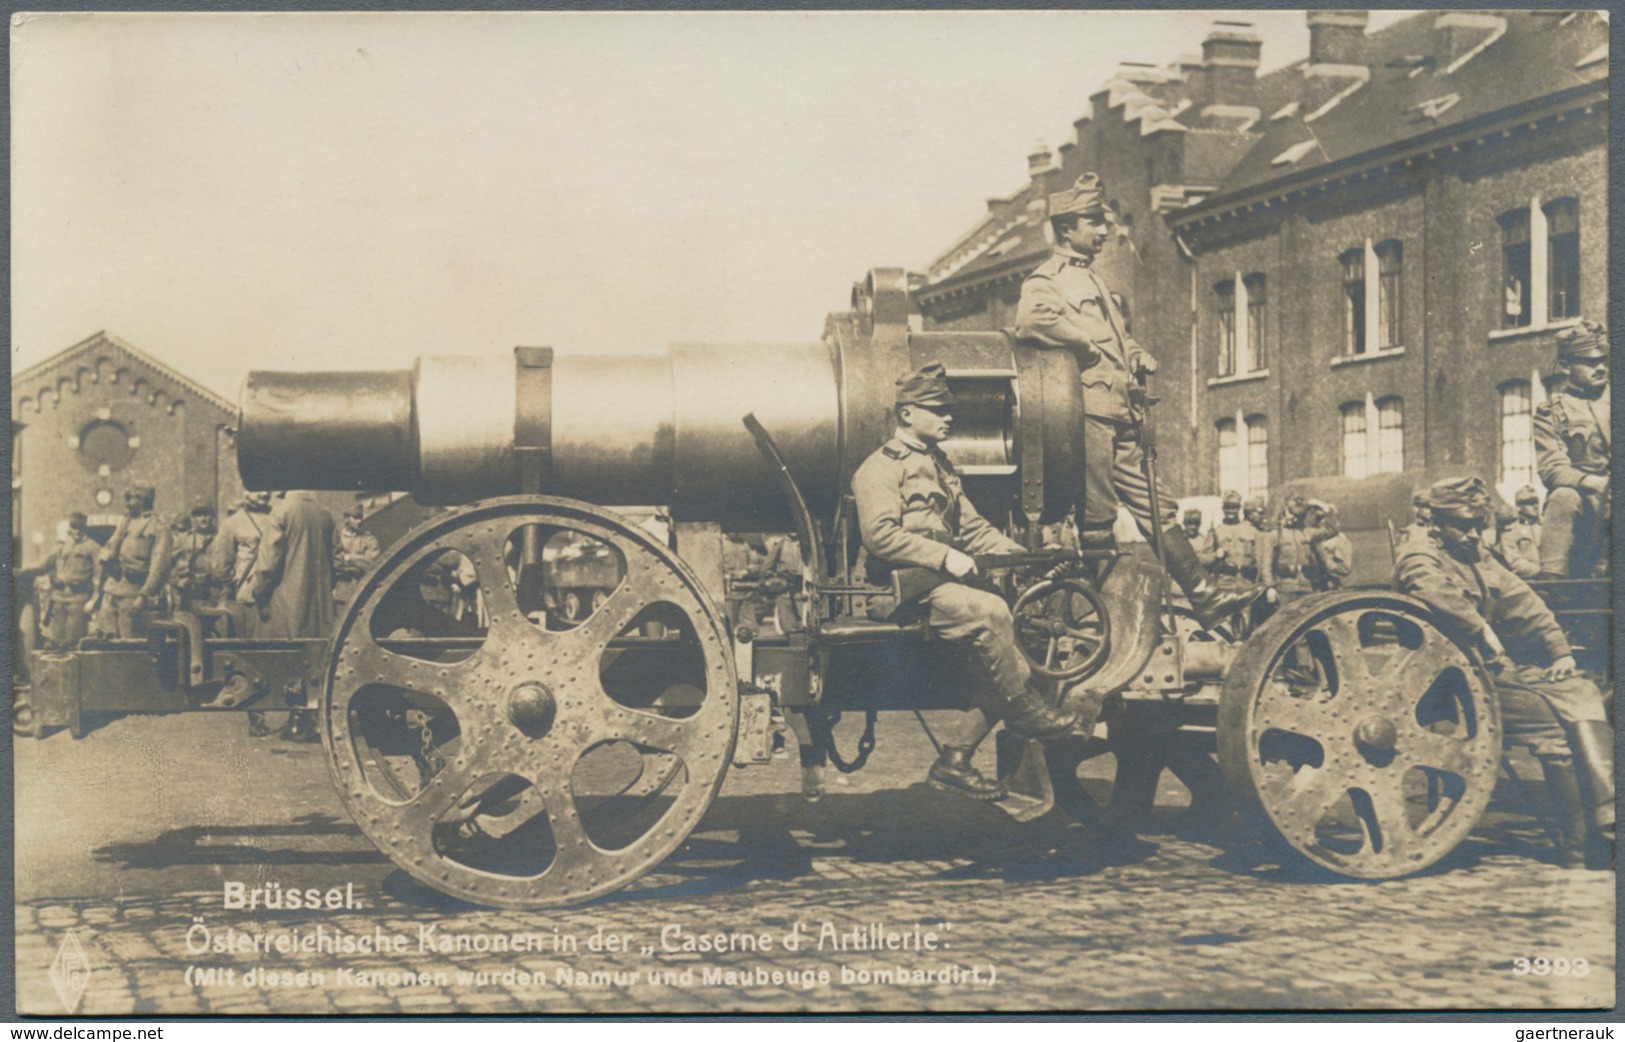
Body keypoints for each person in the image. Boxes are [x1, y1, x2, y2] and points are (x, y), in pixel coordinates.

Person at [1015, 172, 1260, 629]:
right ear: (1066, 228)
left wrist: (1135, 354)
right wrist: (1083, 342)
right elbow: (1030, 321)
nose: (1104, 230)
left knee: (1156, 504)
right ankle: (1091, 619)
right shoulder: (1047, 279)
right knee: (1097, 513)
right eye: (1093, 221)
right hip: (1085, 414)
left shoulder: (1097, 282)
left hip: (1120, 412)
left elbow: (1118, 339)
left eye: (1104, 220)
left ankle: (1204, 594)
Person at [853, 363, 1076, 800]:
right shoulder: (880, 468)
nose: (948, 417)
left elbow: (973, 528)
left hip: (939, 586)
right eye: (937, 409)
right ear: (906, 414)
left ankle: (955, 759)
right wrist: (943, 555)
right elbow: (879, 534)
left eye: (948, 409)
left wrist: (1021, 556)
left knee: (1012, 648)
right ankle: (1025, 714)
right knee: (990, 611)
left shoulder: (940, 466)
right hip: (902, 590)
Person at [1394, 476, 1612, 869]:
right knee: (1552, 730)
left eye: (1480, 523)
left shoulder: (1477, 554)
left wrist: (1559, 651)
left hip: (1491, 673)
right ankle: (1582, 849)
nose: (1475, 533)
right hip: (1444, 683)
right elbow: (1429, 589)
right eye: (1464, 524)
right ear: (1436, 522)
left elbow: (1524, 602)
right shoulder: (1419, 554)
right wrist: (1481, 627)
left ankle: (1607, 824)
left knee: (1580, 690)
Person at [251, 490, 337, 742]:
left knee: (290, 655)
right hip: (320, 599)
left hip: (288, 596)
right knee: (316, 653)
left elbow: (268, 562)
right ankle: (317, 718)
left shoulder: (282, 511)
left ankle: (297, 718)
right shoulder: (326, 514)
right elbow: (338, 560)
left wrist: (259, 591)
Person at [1534, 320, 1610, 579]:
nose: (1600, 367)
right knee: (1563, 496)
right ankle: (1553, 581)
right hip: (1586, 499)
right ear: (1566, 366)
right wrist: (1592, 482)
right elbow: (1552, 468)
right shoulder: (1552, 412)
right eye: (1589, 362)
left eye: (1603, 360)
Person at [91, 486, 173, 640]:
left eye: (131, 498)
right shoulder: (125, 522)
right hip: (111, 592)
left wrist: (143, 596)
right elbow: (108, 547)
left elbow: (159, 568)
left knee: (131, 648)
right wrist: (107, 556)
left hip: (133, 595)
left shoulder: (158, 527)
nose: (127, 503)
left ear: (143, 500)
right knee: (105, 643)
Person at [209, 491, 274, 638]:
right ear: (246, 492)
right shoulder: (232, 523)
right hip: (249, 600)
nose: (264, 493)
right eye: (258, 489)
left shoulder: (280, 516)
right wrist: (239, 583)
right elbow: (221, 566)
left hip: (278, 600)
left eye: (268, 488)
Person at [41, 512, 101, 648]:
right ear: (69, 529)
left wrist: (93, 601)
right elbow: (46, 565)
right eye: (74, 527)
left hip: (78, 599)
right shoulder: (62, 546)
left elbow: (100, 575)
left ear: (85, 528)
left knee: (73, 642)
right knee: (55, 641)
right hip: (59, 598)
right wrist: (53, 577)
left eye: (81, 528)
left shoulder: (93, 547)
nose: (77, 531)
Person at [1268, 493, 1320, 605]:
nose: (1294, 518)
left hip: (1306, 587)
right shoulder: (1275, 534)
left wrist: (1320, 507)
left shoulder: (1308, 532)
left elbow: (1332, 529)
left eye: (1298, 516)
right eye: (1291, 514)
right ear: (1284, 511)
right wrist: (1270, 587)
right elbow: (1266, 564)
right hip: (1284, 589)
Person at [168, 502, 218, 614]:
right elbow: (169, 563)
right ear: (194, 517)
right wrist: (177, 581)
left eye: (207, 514)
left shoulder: (221, 537)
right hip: (191, 591)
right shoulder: (184, 539)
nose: (203, 519)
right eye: (199, 515)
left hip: (214, 590)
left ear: (212, 516)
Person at [332, 504, 381, 612]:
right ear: (346, 518)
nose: (359, 521)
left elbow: (373, 562)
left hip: (363, 590)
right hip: (342, 592)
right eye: (355, 518)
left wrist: (349, 559)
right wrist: (360, 560)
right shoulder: (337, 538)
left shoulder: (368, 539)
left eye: (360, 517)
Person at [1306, 500, 1353, 591]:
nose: (1318, 521)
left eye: (1322, 518)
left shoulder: (1339, 540)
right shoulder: (1314, 535)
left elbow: (1345, 569)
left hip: (1332, 585)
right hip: (1313, 584)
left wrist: (1327, 562)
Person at [1502, 486, 1543, 580]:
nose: (1536, 506)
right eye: (1530, 503)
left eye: (1536, 502)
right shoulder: (1511, 530)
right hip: (1527, 582)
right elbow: (1513, 562)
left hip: (1553, 581)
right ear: (1519, 507)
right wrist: (1540, 571)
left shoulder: (1545, 527)